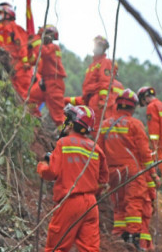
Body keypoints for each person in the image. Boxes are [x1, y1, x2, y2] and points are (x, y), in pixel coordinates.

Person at [37, 105, 109, 252]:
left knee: (57, 247)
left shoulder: (64, 143)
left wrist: (42, 166)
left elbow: (51, 173)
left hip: (70, 201)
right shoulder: (96, 149)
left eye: (67, 120)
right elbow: (103, 180)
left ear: (71, 124)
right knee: (89, 248)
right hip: (91, 204)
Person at [96, 89, 157, 248]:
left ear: (117, 104)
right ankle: (132, 239)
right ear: (133, 107)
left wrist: (101, 178)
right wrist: (154, 176)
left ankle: (118, 237)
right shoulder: (135, 124)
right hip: (132, 172)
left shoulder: (105, 124)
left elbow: (99, 153)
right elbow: (145, 154)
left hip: (112, 173)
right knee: (133, 204)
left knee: (118, 205)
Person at [27, 25, 66, 126]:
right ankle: (36, 122)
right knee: (31, 98)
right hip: (45, 82)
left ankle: (66, 136)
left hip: (55, 83)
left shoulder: (53, 47)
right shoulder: (43, 49)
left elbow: (43, 52)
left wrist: (35, 41)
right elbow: (32, 61)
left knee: (58, 116)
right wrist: (29, 48)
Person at [0, 4, 32, 97]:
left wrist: (25, 61)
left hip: (21, 67)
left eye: (0, 13)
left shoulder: (15, 28)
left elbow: (22, 44)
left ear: (8, 15)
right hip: (9, 66)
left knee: (22, 94)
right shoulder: (0, 30)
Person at [80, 35, 117, 117]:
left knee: (95, 127)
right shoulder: (92, 65)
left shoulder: (105, 62)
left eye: (99, 45)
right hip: (89, 99)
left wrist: (103, 100)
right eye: (96, 45)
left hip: (97, 100)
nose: (97, 47)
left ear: (104, 48)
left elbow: (105, 82)